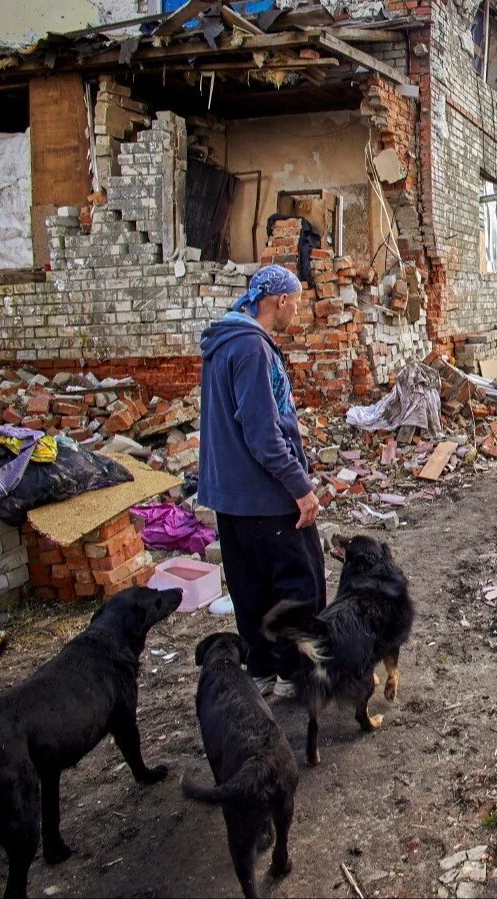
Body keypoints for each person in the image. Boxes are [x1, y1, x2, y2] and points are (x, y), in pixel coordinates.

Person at [197, 264, 323, 698]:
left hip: (229, 496)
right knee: (298, 585)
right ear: (280, 300)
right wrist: (300, 488)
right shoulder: (252, 348)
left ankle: (263, 670)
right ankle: (292, 675)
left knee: (249, 588)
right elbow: (263, 433)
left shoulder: (223, 342)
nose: (298, 313)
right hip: (264, 496)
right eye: (298, 303)